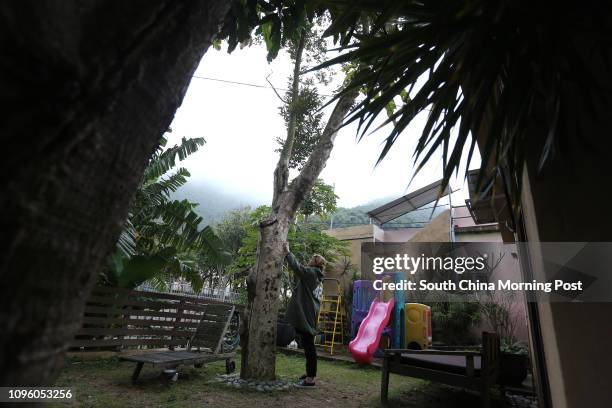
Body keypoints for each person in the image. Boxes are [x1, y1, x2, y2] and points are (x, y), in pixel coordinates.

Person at [283, 242, 326, 388]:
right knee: (308, 344)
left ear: (315, 263)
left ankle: (310, 378)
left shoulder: (312, 273)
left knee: (309, 346)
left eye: (311, 259)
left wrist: (288, 252)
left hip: (307, 314)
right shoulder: (318, 277)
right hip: (311, 313)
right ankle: (309, 374)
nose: (309, 260)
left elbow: (297, 268)